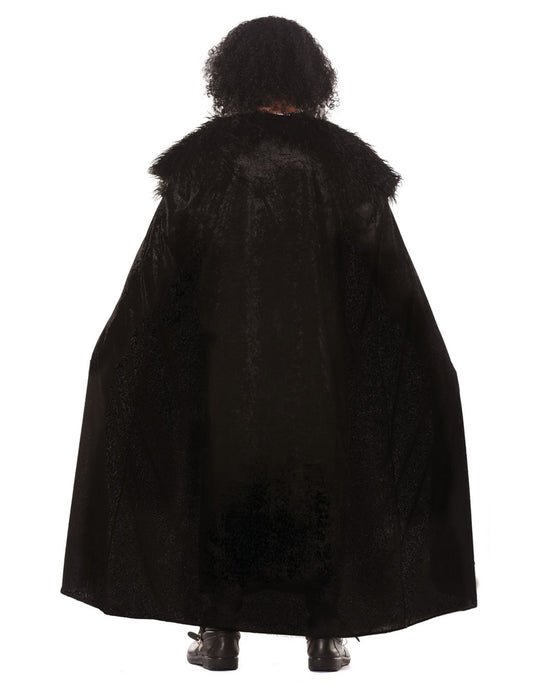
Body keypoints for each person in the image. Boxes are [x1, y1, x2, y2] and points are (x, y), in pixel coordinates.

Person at [60, 15, 477, 673]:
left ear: (231, 77)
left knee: (217, 486)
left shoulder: (201, 166)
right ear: (311, 78)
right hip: (323, 383)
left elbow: (156, 283)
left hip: (220, 381)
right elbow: (390, 285)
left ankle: (219, 636)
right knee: (324, 486)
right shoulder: (345, 167)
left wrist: (119, 359)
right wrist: (426, 367)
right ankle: (325, 639)